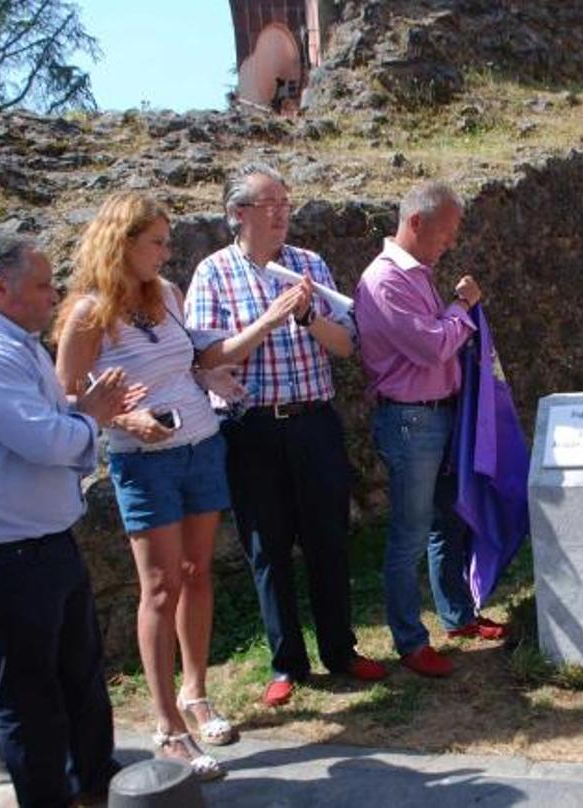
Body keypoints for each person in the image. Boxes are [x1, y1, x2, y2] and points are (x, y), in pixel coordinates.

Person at [54, 192, 307, 779]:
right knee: (160, 589)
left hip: (201, 446)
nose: (166, 254)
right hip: (146, 463)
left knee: (196, 574)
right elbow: (64, 399)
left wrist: (206, 375)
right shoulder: (89, 314)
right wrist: (125, 419)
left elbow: (183, 360)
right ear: (121, 243)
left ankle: (196, 694)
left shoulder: (165, 295)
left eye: (167, 242)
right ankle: (168, 727)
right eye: (157, 243)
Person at [186, 162, 385, 708]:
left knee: (328, 539)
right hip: (251, 428)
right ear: (238, 213)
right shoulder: (213, 273)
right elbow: (207, 357)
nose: (280, 215)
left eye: (285, 204)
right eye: (269, 205)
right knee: (267, 546)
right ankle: (286, 662)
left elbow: (345, 345)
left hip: (313, 420)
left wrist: (306, 317)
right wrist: (268, 321)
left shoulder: (309, 264)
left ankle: (340, 650)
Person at [0, 233, 130, 807]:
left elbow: (44, 417)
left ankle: (95, 784)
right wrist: (92, 417)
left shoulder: (10, 340)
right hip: (3, 556)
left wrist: (80, 411)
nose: (55, 296)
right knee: (30, 699)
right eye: (44, 285)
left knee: (80, 676)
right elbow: (43, 440)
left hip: (42, 543)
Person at [354, 181, 508, 679]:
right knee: (411, 533)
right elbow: (433, 346)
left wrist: (453, 315)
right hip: (411, 421)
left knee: (448, 520)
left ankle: (457, 617)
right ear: (416, 222)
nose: (451, 241)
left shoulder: (415, 273)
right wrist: (462, 307)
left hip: (434, 415)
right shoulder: (385, 281)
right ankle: (410, 641)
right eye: (446, 231)